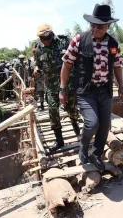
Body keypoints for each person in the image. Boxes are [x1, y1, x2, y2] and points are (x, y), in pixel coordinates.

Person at [60, 4, 123, 170]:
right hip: (85, 90)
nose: (95, 28)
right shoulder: (79, 40)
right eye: (93, 25)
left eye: (100, 26)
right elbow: (67, 65)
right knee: (92, 123)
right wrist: (63, 89)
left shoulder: (113, 43)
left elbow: (117, 65)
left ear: (108, 26)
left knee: (104, 127)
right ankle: (83, 145)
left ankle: (96, 154)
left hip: (105, 90)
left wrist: (121, 87)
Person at [34, 23, 80, 151]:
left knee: (71, 109)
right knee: (53, 111)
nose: (46, 41)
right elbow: (38, 64)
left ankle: (74, 122)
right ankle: (59, 140)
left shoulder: (64, 42)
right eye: (42, 39)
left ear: (52, 34)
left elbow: (75, 59)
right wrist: (37, 70)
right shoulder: (38, 49)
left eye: (47, 37)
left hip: (67, 85)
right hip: (51, 86)